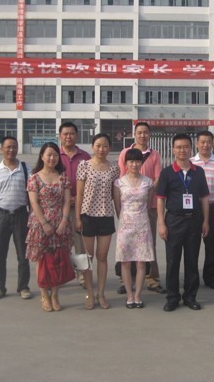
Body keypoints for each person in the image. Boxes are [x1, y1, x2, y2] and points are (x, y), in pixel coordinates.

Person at [157, 134, 210, 312]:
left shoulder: (198, 172)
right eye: (179, 147)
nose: (182, 150)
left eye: (186, 147)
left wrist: (206, 221)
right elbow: (160, 200)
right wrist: (161, 223)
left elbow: (204, 198)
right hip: (174, 220)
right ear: (173, 149)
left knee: (192, 260)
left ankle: (190, 296)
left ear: (191, 149)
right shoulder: (167, 173)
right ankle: (172, 297)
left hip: (194, 220)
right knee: (173, 261)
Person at [117, 122, 164, 294]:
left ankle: (152, 279)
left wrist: (146, 193)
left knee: (148, 245)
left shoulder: (155, 154)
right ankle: (126, 280)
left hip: (148, 207)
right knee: (127, 247)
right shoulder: (125, 153)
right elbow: (121, 177)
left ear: (149, 134)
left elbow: (157, 178)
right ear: (134, 134)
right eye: (139, 132)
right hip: (129, 210)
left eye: (145, 132)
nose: (142, 135)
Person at [25, 142, 72, 312]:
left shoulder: (63, 177)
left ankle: (55, 295)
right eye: (49, 155)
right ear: (42, 157)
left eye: (55, 155)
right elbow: (34, 203)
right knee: (42, 260)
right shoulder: (34, 178)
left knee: (58, 259)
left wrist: (64, 221)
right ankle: (44, 295)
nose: (52, 158)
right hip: (40, 224)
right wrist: (44, 223)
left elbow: (66, 201)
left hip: (60, 224)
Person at [75, 133, 120, 309]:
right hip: (87, 216)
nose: (101, 149)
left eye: (105, 146)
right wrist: (77, 217)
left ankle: (101, 294)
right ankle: (90, 294)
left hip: (106, 216)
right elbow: (79, 193)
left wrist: (121, 215)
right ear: (92, 147)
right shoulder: (84, 165)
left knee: (102, 257)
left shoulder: (114, 168)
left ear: (110, 148)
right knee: (87, 258)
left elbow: (115, 194)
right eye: (98, 145)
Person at [0, 136, 31, 300]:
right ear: (1, 149)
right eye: (8, 147)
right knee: (0, 254)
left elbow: (31, 195)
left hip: (21, 215)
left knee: (23, 254)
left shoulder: (26, 169)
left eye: (14, 147)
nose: (11, 150)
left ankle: (23, 287)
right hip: (1, 216)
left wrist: (32, 216)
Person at [113, 149, 155, 309]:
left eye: (137, 161)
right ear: (125, 163)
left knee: (141, 262)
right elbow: (118, 206)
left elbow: (148, 205)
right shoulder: (119, 183)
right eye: (131, 161)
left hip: (143, 225)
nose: (134, 164)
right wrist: (125, 220)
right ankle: (129, 295)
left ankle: (138, 295)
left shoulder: (148, 182)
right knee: (125, 261)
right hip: (125, 226)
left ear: (141, 163)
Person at [58, 122, 91, 286]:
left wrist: (78, 198)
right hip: (58, 209)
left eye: (71, 133)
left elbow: (91, 181)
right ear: (60, 136)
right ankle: (58, 276)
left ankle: (82, 276)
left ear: (76, 136)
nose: (68, 137)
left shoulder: (85, 156)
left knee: (80, 245)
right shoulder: (54, 155)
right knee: (59, 245)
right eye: (65, 134)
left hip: (80, 208)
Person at [190, 130, 214, 290]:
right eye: (202, 142)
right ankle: (192, 278)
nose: (205, 145)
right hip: (194, 209)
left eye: (208, 142)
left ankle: (209, 278)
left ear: (212, 143)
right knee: (192, 246)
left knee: (211, 246)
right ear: (197, 144)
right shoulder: (190, 163)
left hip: (213, 208)